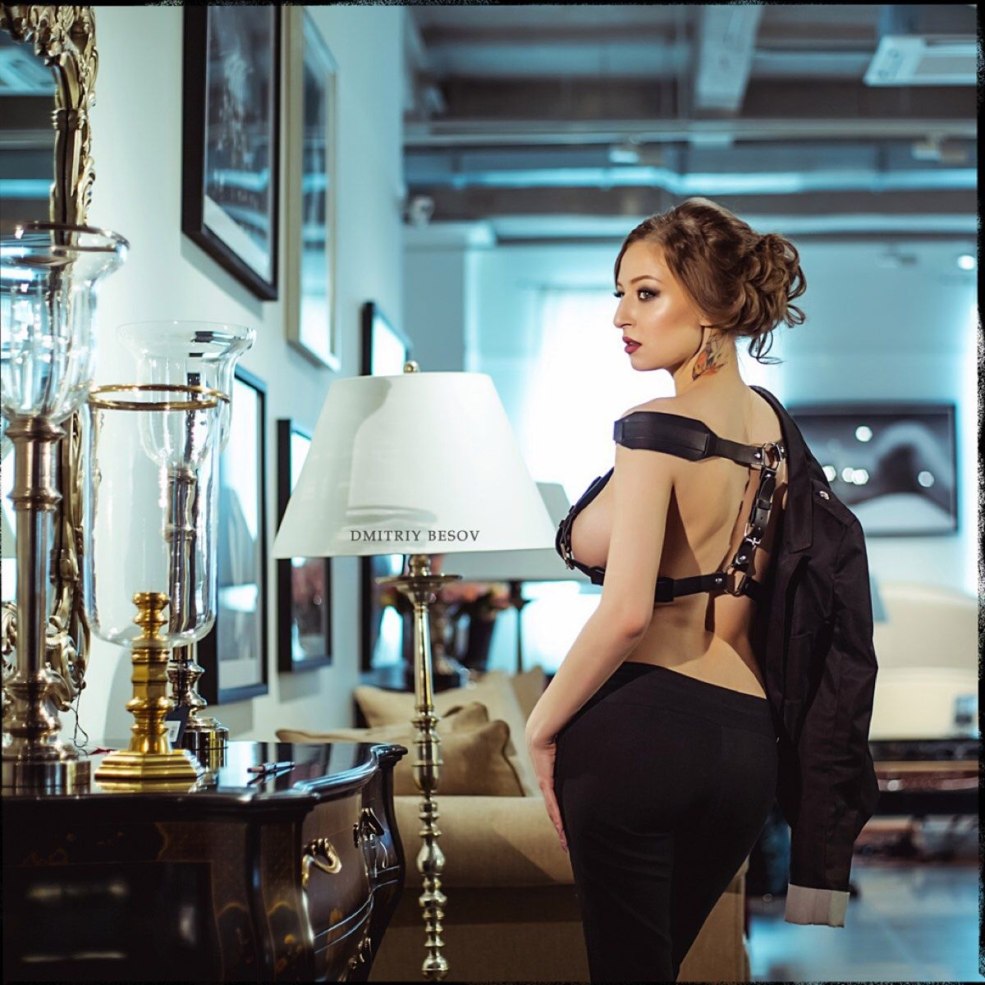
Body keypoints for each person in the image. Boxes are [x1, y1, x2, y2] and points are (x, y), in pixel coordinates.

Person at [524, 197, 878, 982]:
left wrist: (540, 727)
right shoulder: (777, 436)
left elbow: (625, 614)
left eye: (645, 292)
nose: (620, 315)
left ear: (714, 305)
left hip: (638, 733)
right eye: (618, 293)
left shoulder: (654, 425)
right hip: (744, 749)